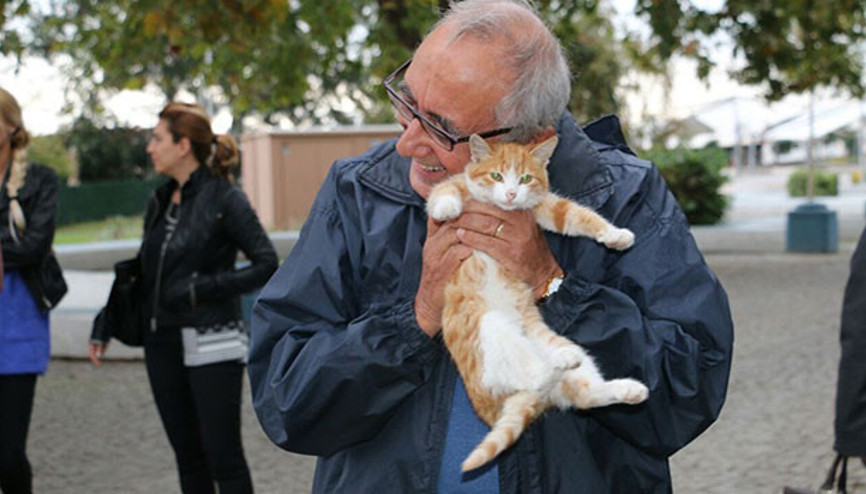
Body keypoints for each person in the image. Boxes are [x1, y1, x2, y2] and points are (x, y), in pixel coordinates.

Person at [248, 1, 734, 492]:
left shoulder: (621, 198)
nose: (408, 142)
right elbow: (286, 401)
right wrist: (413, 320)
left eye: (440, 126)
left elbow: (684, 399)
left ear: (530, 141)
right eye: (407, 102)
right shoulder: (359, 193)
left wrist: (554, 288)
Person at [89, 102, 278, 494]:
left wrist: (200, 289)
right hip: (162, 342)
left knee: (223, 458)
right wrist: (106, 322)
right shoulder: (160, 200)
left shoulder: (225, 199)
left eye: (157, 139)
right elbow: (144, 269)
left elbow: (265, 263)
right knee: (188, 456)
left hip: (213, 338)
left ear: (183, 145)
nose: (149, 148)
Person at [0, 87, 61, 493]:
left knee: (7, 454)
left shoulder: (40, 180)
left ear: (11, 125)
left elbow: (35, 245)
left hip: (18, 323)